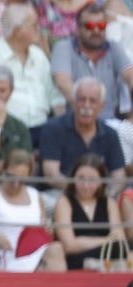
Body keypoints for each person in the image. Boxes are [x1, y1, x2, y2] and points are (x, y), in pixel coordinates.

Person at [0, 3, 61, 140]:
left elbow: (55, 98)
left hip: (43, 129)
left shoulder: (38, 55)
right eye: (34, 25)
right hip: (5, 132)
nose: (39, 29)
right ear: (17, 31)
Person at [51, 6, 133, 167]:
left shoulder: (113, 47)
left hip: (111, 121)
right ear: (78, 28)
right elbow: (63, 82)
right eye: (89, 26)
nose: (96, 30)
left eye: (101, 26)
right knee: (119, 138)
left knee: (124, 132)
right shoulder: (64, 48)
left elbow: (131, 76)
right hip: (76, 121)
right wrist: (87, 109)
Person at [0, 146, 67, 273]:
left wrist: (48, 228)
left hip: (34, 254)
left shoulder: (36, 196)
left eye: (21, 179)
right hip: (4, 255)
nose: (16, 184)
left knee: (56, 249)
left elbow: (44, 229)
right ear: (3, 170)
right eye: (12, 177)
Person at [41, 79, 127, 196]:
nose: (86, 105)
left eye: (93, 101)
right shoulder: (53, 129)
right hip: (61, 192)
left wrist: (106, 194)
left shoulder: (110, 134)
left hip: (99, 195)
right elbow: (51, 174)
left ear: (102, 106)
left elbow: (119, 175)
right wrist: (82, 193)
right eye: (82, 99)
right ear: (74, 102)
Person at [55, 154, 125, 271]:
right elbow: (69, 245)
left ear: (101, 182)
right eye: (81, 178)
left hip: (108, 255)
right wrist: (107, 240)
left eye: (92, 180)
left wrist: (83, 242)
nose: (86, 186)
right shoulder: (64, 202)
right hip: (77, 258)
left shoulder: (108, 202)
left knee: (122, 247)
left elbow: (120, 238)